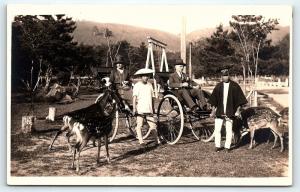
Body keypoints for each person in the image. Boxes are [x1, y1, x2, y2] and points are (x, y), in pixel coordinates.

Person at [209, 66, 247, 153]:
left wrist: (237, 111)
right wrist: (213, 111)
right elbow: (213, 101)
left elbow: (240, 101)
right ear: (221, 76)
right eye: (223, 76)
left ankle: (227, 146)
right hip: (220, 112)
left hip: (230, 112)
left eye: (226, 75)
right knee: (217, 129)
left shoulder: (235, 86)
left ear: (229, 75)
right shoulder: (218, 86)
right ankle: (217, 146)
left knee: (229, 130)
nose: (225, 77)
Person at [132, 68, 160, 146]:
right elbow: (134, 98)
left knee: (153, 126)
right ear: (141, 77)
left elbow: (152, 98)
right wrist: (134, 108)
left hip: (149, 108)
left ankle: (157, 141)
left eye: (147, 76)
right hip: (140, 108)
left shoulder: (150, 85)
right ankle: (141, 141)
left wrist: (153, 109)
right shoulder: (137, 85)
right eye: (144, 76)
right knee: (139, 125)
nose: (146, 77)